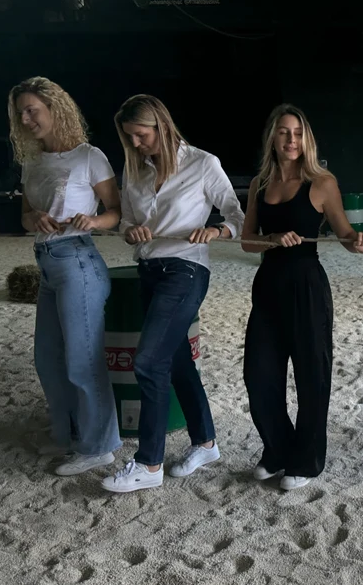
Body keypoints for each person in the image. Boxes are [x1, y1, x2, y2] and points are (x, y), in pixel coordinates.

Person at [101, 95, 245, 493]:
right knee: (178, 360)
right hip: (149, 270)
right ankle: (206, 443)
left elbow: (236, 215)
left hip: (186, 270)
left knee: (148, 362)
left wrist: (216, 230)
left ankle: (149, 463)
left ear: (161, 127)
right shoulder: (135, 169)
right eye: (129, 137)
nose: (135, 144)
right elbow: (126, 222)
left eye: (141, 135)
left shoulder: (203, 163)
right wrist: (130, 230)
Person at [241, 104, 363, 492]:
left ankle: (307, 460)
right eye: (284, 132)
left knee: (311, 377)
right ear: (273, 137)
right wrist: (271, 239)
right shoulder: (260, 184)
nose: (292, 140)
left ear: (307, 139)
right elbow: (248, 242)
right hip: (268, 285)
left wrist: (360, 242)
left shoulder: (321, 182)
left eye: (298, 133)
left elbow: (346, 235)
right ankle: (279, 450)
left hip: (307, 287)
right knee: (259, 375)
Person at [7, 76, 123, 475]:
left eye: (32, 110)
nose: (25, 119)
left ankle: (99, 446)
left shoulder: (89, 157)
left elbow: (116, 212)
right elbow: (25, 217)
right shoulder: (32, 161)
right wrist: (35, 219)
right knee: (48, 358)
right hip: (46, 262)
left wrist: (94, 220)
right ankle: (67, 434)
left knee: (82, 360)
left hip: (78, 261)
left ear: (55, 109)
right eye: (20, 113)